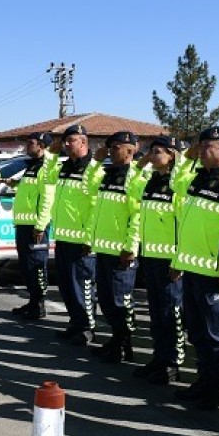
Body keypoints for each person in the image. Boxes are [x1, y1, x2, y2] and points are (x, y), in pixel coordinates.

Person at [170, 125, 219, 410]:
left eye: (207, 147)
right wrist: (187, 158)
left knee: (216, 335)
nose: (201, 151)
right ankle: (203, 381)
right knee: (198, 332)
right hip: (192, 267)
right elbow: (175, 183)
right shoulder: (196, 177)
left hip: (216, 273)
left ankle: (216, 388)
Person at [132, 136, 185, 385]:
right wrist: (140, 164)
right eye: (151, 151)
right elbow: (131, 190)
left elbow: (183, 224)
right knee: (156, 312)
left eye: (158, 152)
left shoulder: (178, 184)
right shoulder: (151, 180)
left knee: (169, 314)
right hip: (150, 255)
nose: (153, 155)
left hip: (169, 259)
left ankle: (172, 363)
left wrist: (178, 259)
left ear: (172, 155)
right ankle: (159, 357)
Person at [87, 131, 142, 362]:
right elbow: (88, 188)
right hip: (104, 248)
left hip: (121, 252)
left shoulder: (136, 177)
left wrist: (130, 247)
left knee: (121, 302)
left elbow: (137, 215)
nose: (111, 150)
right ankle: (116, 340)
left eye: (116, 147)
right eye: (110, 147)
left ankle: (123, 344)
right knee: (108, 301)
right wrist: (96, 161)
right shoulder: (108, 174)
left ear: (130, 150)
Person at [50, 123, 103, 343]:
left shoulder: (93, 169)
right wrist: (52, 154)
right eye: (65, 141)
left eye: (70, 140)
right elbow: (46, 177)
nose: (66, 144)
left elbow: (95, 207)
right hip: (63, 236)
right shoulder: (64, 166)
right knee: (67, 285)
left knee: (83, 285)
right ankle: (75, 322)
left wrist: (90, 237)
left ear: (83, 142)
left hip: (82, 240)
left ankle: (87, 327)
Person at [10, 133, 58, 319]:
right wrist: (15, 185)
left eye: (30, 143)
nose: (26, 146)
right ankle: (32, 301)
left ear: (41, 146)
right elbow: (30, 193)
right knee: (26, 267)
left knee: (37, 266)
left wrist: (40, 225)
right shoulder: (32, 166)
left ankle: (39, 305)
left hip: (36, 227)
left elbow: (47, 199)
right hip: (23, 224)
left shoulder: (47, 168)